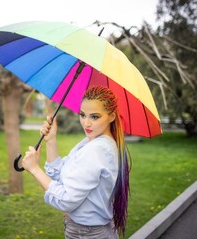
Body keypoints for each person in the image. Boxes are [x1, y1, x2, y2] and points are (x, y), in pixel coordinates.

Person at [22, 85, 131, 239]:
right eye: (82, 114)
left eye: (94, 116)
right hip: (89, 231)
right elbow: (61, 175)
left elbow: (66, 200)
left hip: (87, 234)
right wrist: (51, 140)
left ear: (112, 116)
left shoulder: (97, 150)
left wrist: (34, 169)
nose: (86, 123)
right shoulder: (91, 142)